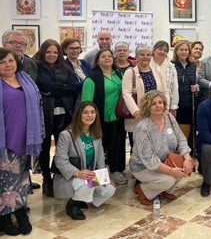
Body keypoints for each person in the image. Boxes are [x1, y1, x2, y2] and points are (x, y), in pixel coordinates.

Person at [0, 48, 43, 235]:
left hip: (26, 138)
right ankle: (4, 217)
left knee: (23, 179)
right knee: (6, 182)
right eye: (2, 62)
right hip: (5, 140)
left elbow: (38, 106)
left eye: (10, 60)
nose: (8, 65)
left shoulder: (25, 79)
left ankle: (20, 212)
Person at [53, 101, 116, 220]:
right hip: (71, 177)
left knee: (109, 189)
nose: (90, 115)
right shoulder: (66, 135)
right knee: (87, 183)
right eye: (85, 112)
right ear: (79, 115)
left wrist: (104, 178)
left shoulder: (96, 135)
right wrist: (78, 173)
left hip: (89, 176)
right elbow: (60, 160)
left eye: (93, 112)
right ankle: (72, 204)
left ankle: (83, 199)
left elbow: (100, 160)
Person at [130, 90, 193, 205]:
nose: (158, 106)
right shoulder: (142, 127)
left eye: (160, 102)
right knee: (168, 179)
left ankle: (165, 191)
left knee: (184, 168)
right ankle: (143, 190)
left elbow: (181, 139)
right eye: (153, 103)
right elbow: (149, 159)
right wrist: (170, 171)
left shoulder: (169, 117)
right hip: (143, 167)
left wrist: (187, 158)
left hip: (167, 161)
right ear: (147, 106)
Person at [34, 39, 79, 197]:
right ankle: (47, 179)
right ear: (43, 52)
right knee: (45, 148)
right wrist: (63, 89)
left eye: (55, 52)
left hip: (65, 114)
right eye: (48, 52)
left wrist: (53, 91)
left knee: (63, 149)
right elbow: (42, 85)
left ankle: (58, 176)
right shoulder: (37, 67)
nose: (52, 55)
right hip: (44, 114)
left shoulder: (65, 67)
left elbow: (76, 86)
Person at [81, 48, 127, 185]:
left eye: (109, 56)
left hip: (117, 117)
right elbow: (86, 103)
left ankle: (115, 171)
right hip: (101, 119)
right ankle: (98, 176)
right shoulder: (92, 78)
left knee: (116, 145)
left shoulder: (117, 74)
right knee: (100, 147)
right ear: (97, 60)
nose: (107, 58)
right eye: (103, 56)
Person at [122, 45, 168, 154]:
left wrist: (165, 108)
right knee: (138, 147)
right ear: (136, 57)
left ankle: (154, 168)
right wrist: (136, 111)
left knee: (155, 145)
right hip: (138, 116)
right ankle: (137, 170)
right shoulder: (130, 72)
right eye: (142, 54)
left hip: (156, 114)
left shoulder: (157, 71)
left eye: (148, 54)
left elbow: (165, 92)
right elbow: (126, 93)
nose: (145, 57)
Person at [172, 40, 200, 145]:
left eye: (186, 50)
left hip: (190, 103)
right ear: (176, 51)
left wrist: (196, 88)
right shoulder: (172, 65)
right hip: (176, 104)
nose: (184, 52)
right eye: (181, 50)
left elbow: (198, 83)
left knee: (191, 128)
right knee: (176, 129)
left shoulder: (193, 65)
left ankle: (190, 152)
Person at [151, 40, 179, 115]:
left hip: (166, 105)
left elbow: (175, 89)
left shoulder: (171, 67)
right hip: (149, 104)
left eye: (165, 50)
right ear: (154, 49)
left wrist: (173, 107)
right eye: (160, 49)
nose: (162, 52)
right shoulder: (147, 65)